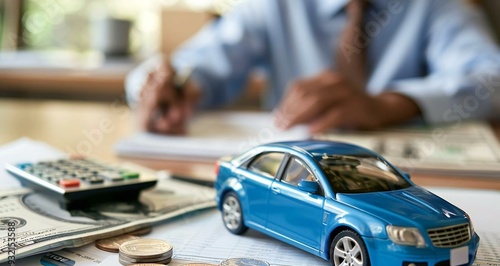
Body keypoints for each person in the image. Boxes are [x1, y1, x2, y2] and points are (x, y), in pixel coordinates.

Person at [126, 0, 500, 135]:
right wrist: (171, 87)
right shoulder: (274, 6)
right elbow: (201, 60)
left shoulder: (437, 6)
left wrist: (389, 105)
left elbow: (491, 79)